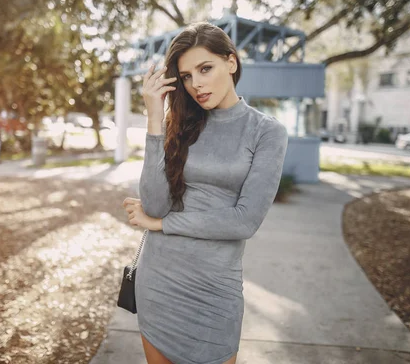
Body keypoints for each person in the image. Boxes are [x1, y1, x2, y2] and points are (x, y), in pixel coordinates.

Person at [122, 22, 289, 364]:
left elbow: (244, 221)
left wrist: (162, 225)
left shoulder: (266, 132)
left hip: (215, 289)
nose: (195, 84)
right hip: (160, 281)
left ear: (231, 63)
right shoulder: (180, 124)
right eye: (186, 76)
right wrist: (156, 116)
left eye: (205, 68)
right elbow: (154, 204)